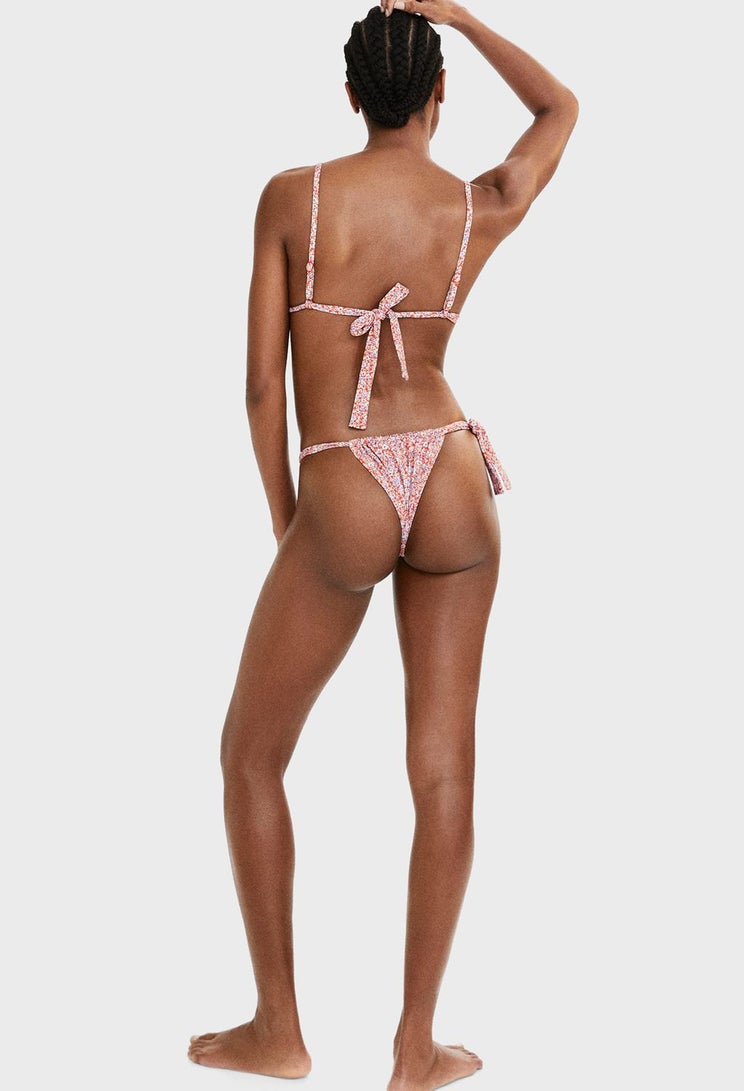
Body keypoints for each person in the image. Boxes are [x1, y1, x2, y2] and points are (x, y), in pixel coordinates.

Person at [187, 2, 577, 1087]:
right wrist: (462, 17)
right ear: (439, 94)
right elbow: (559, 108)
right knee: (443, 770)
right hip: (452, 473)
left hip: (345, 477)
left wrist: (293, 520)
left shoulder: (294, 197)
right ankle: (415, 1047)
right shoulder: (474, 204)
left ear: (351, 94)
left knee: (250, 754)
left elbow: (260, 387)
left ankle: (278, 1029)